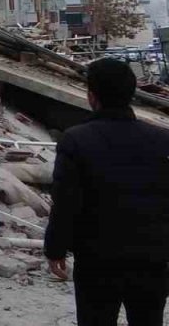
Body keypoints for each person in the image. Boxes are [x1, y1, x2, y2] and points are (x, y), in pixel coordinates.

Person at [44, 57, 169, 326]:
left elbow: (66, 203)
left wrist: (55, 249)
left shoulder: (76, 140)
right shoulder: (162, 140)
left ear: (91, 96)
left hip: (97, 261)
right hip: (153, 260)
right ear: (131, 94)